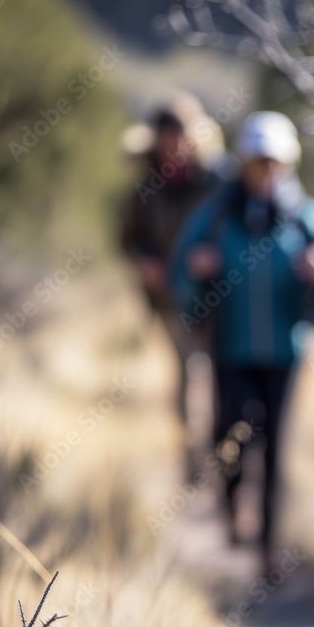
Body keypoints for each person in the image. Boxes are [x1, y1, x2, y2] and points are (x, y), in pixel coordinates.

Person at [171, 110, 314, 570]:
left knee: (275, 447)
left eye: (275, 162)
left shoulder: (304, 215)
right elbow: (179, 274)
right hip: (230, 346)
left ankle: (267, 550)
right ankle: (234, 510)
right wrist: (197, 273)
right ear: (243, 162)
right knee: (231, 434)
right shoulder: (216, 214)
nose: (267, 171)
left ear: (289, 164)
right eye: (258, 161)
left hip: (285, 350)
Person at [120, 92, 224, 450]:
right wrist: (144, 261)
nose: (175, 145)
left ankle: (219, 448)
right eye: (168, 137)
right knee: (186, 372)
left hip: (214, 296)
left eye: (181, 136)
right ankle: (190, 453)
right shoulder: (147, 185)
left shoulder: (216, 181)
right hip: (168, 300)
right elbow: (129, 237)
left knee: (216, 374)